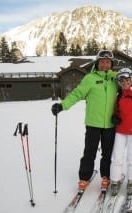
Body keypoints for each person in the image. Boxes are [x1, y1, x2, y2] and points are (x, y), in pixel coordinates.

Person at [51, 50, 118, 191]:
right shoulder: (90, 78)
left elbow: (129, 86)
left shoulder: (115, 78)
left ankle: (106, 176)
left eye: (107, 62)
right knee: (89, 152)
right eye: (102, 62)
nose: (105, 64)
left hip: (111, 124)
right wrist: (63, 105)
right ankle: (84, 177)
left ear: (111, 64)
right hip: (93, 122)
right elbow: (77, 93)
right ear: (97, 63)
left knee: (108, 152)